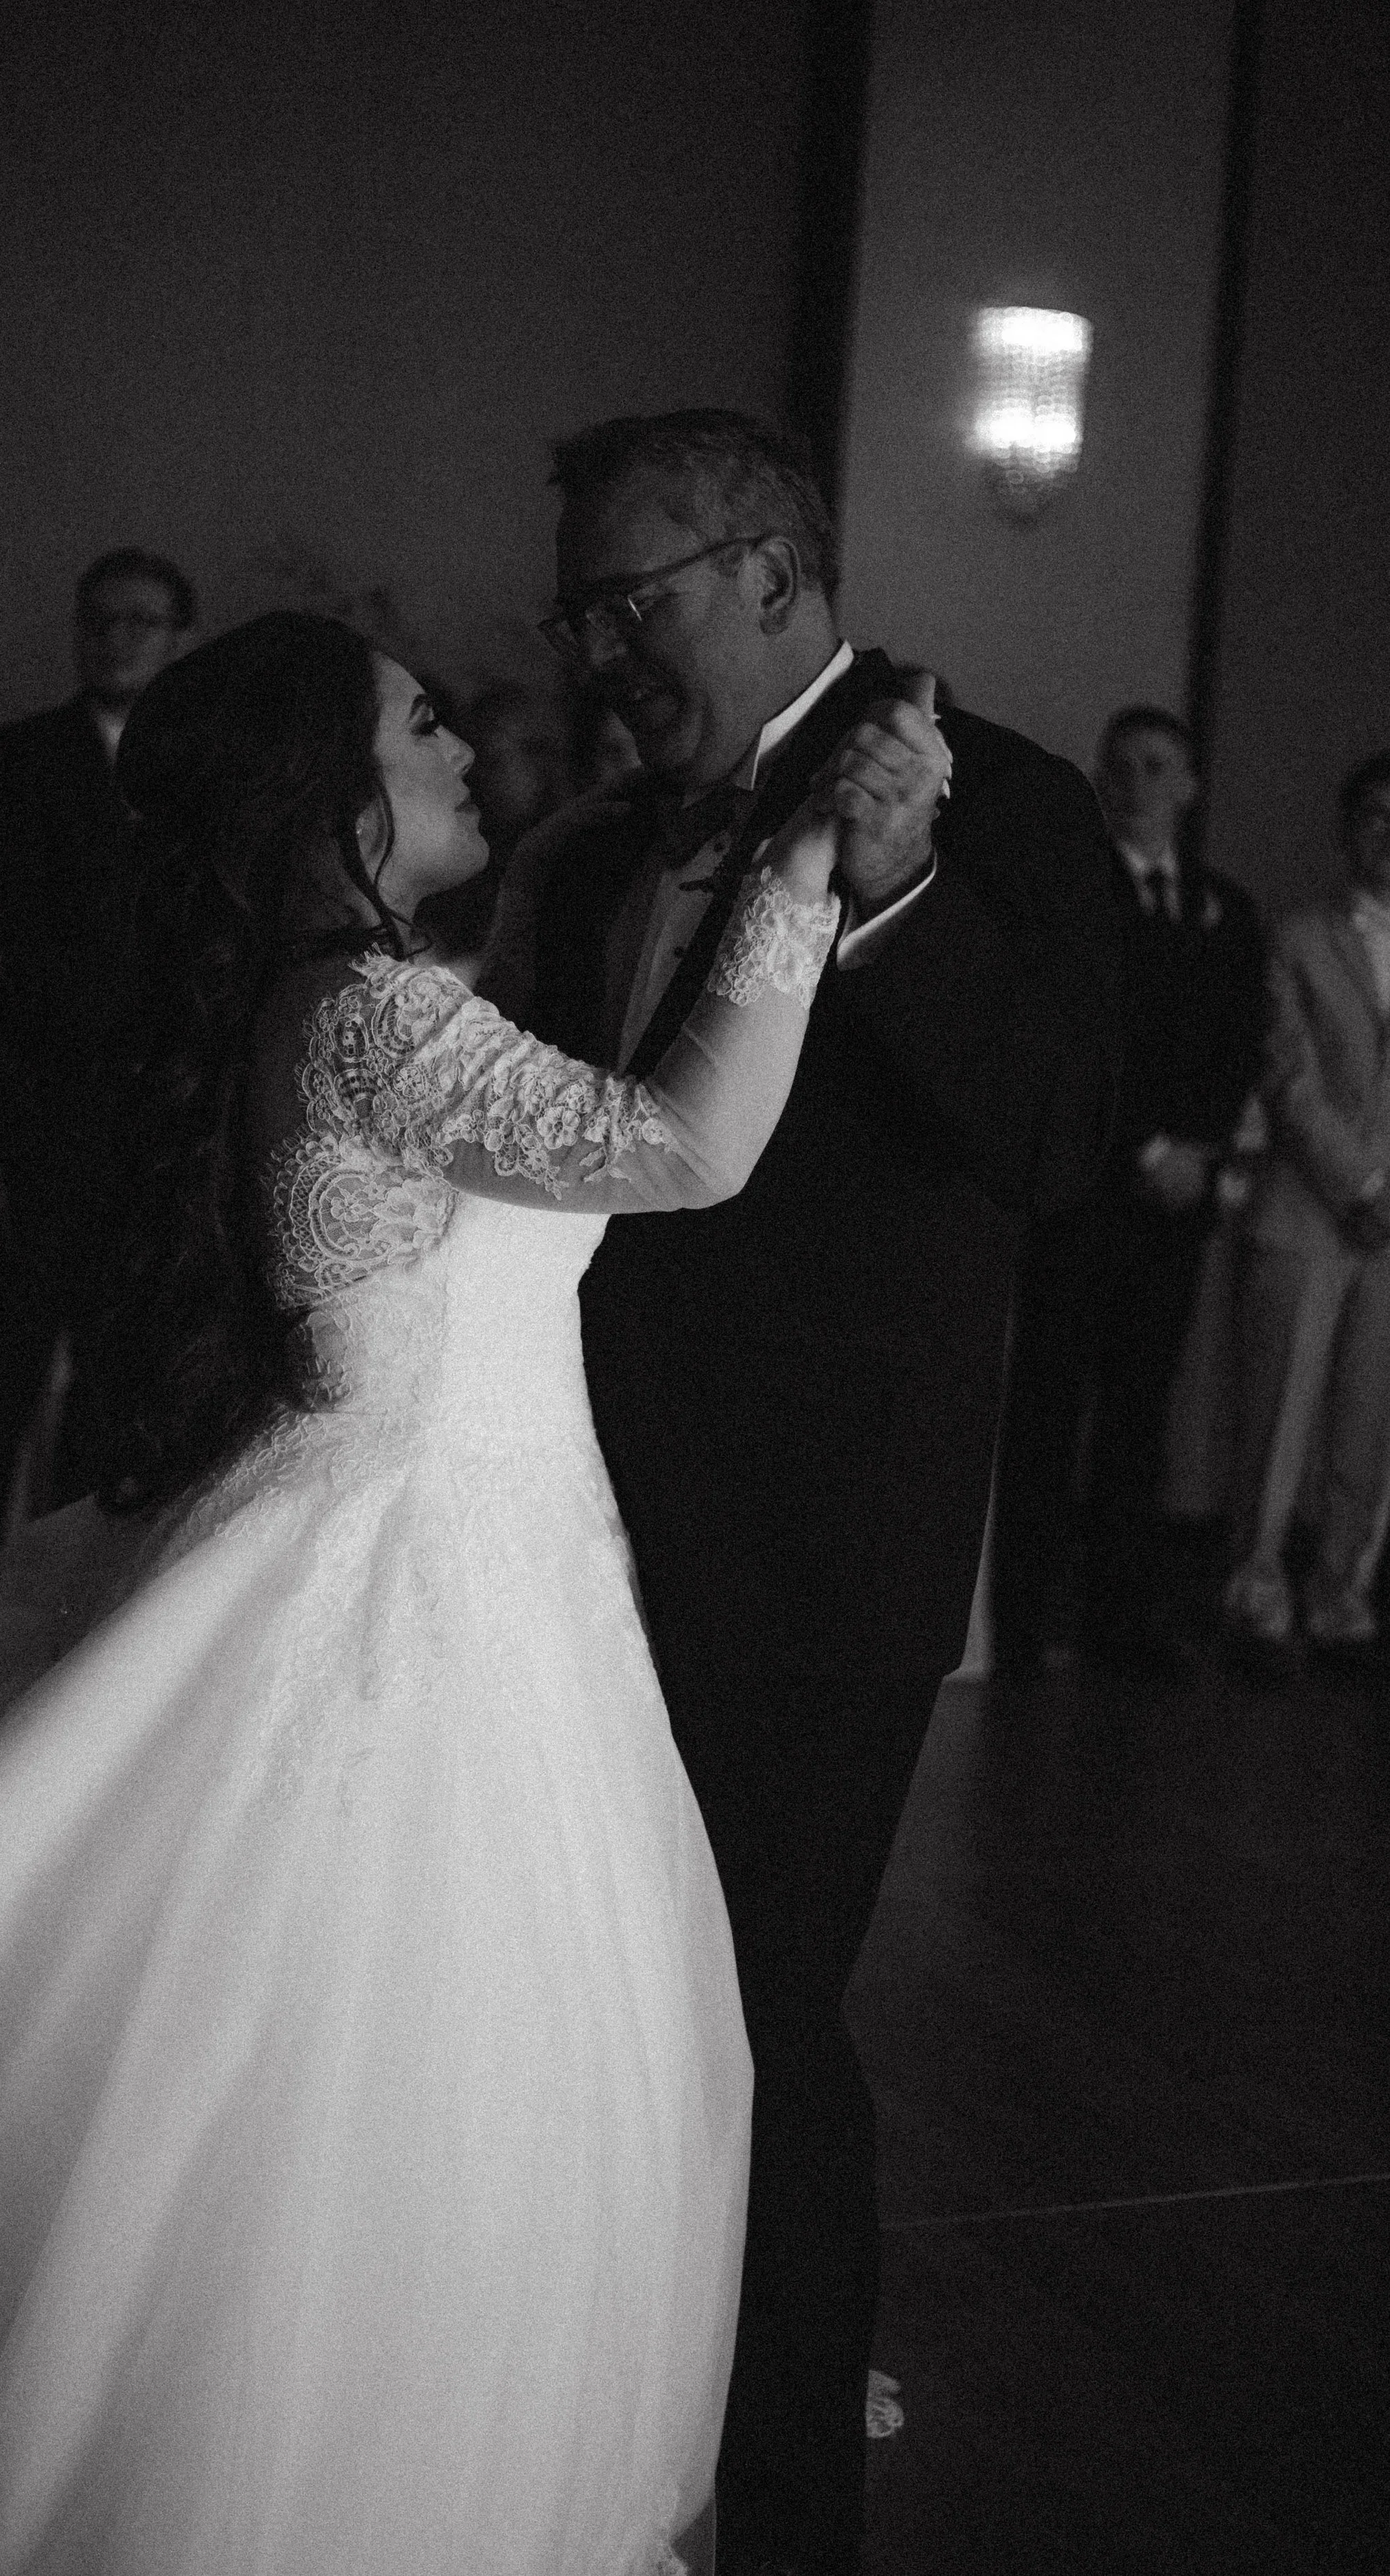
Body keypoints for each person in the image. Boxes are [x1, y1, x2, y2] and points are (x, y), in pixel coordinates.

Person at [0, 610, 891, 2576]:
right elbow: (684, 1141)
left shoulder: (352, 995)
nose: (458, 749)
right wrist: (796, 867)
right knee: (364, 2118)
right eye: (420, 724)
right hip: (427, 1597)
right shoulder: (369, 1012)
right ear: (325, 790)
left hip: (485, 1564)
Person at [486, 408, 1121, 2576]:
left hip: (819, 1546)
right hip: (563, 1527)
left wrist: (896, 893)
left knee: (756, 2003)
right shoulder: (582, 858)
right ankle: (607, 2448)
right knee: (605, 1998)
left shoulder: (1001, 799)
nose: (595, 651)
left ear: (770, 571)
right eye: (578, 610)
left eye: (628, 601)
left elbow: (1058, 1138)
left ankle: (781, 2515)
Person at [993, 705, 1265, 1684]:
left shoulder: (1225, 907)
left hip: (1181, 1200)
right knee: (1047, 1410)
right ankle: (1021, 1625)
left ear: (1189, 785)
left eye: (1158, 768)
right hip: (1090, 1191)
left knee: (1142, 1413)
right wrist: (1149, 1144)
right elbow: (1084, 1031)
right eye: (1123, 767)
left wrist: (1202, 1150)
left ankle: (1122, 1618)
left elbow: (1242, 1040)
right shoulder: (1073, 891)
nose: (1138, 784)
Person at [0, 547, 196, 1567]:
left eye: (142, 621)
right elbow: (3, 928)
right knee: (2, 1364)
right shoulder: (19, 757)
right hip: (39, 1102)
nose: (118, 638)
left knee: (120, 1372)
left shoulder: (200, 765)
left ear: (179, 637)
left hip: (157, 1118)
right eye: (100, 619)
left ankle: (74, 1583)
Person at [1224, 752, 1390, 1672]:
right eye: (1373, 814)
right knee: (1278, 1413)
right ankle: (1255, 1596)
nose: (1389, 833)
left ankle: (1342, 1597)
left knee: (1371, 1423)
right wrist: (1362, 1186)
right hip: (1309, 1205)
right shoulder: (1297, 936)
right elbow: (1289, 1080)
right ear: (1347, 827)